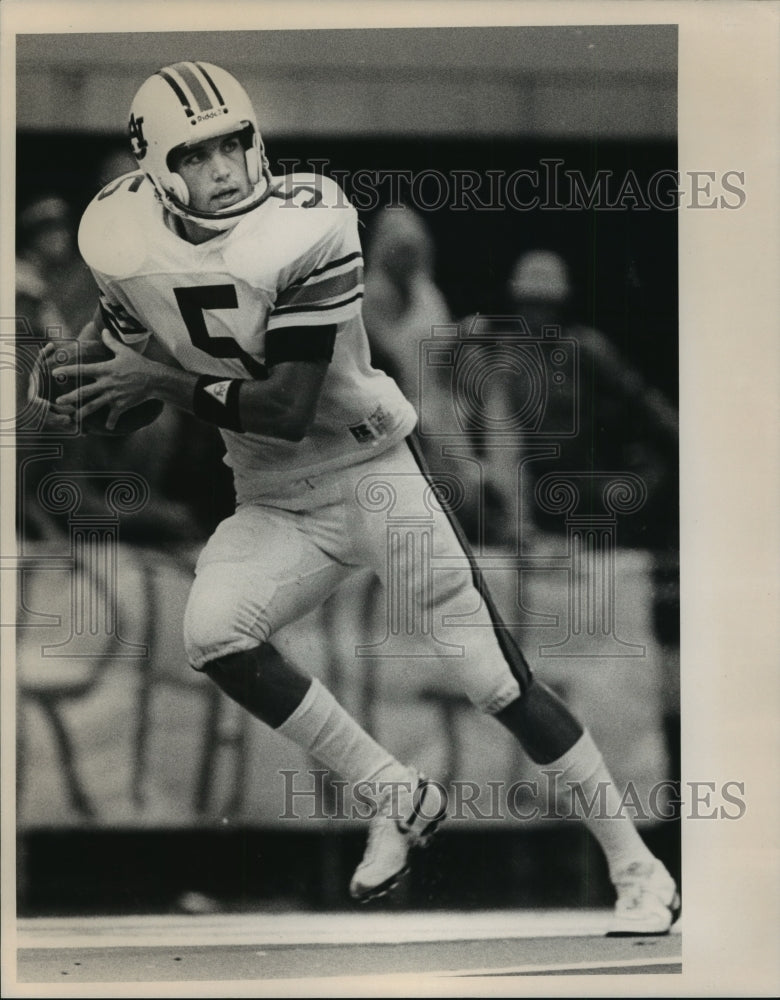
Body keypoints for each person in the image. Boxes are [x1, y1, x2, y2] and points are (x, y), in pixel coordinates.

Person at [46, 61, 679, 934]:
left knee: (495, 682)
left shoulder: (309, 224)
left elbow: (284, 402)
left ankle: (638, 865)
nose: (226, 168)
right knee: (213, 634)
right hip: (270, 495)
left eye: (236, 142)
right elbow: (133, 362)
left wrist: (153, 376)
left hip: (373, 473)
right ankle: (394, 791)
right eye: (199, 153)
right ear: (156, 167)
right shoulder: (122, 239)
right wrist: (87, 379)